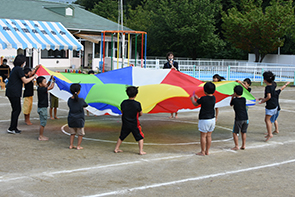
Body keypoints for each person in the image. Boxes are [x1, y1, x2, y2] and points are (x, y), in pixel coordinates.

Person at [6, 55, 37, 134]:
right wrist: (34, 77)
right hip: (14, 92)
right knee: (17, 110)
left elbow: (26, 76)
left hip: (11, 92)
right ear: (22, 62)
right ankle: (12, 128)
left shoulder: (15, 69)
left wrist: (35, 70)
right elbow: (25, 81)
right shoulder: (19, 69)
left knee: (16, 110)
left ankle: (13, 127)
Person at [114, 86, 146, 155]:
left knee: (122, 136)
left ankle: (116, 148)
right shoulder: (137, 104)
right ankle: (141, 151)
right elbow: (141, 113)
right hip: (134, 124)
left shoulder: (123, 103)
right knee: (140, 137)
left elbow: (122, 111)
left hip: (125, 123)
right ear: (136, 94)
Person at [190, 82, 216, 156]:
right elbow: (203, 101)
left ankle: (202, 151)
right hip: (212, 119)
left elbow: (195, 104)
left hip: (204, 119)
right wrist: (198, 98)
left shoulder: (203, 99)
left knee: (203, 136)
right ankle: (207, 151)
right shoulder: (213, 98)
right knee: (209, 136)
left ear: (204, 91)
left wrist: (192, 99)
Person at [67, 83, 88, 150]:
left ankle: (71, 145)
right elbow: (86, 105)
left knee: (72, 133)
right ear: (79, 91)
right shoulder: (81, 100)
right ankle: (78, 146)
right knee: (80, 134)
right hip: (79, 119)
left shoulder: (70, 100)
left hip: (71, 119)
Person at [258, 71, 277, 142]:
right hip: (274, 105)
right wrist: (263, 98)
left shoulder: (268, 87)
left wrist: (263, 101)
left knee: (267, 120)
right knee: (269, 120)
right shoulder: (272, 85)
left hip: (270, 106)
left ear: (265, 79)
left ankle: (270, 134)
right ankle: (269, 133)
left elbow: (268, 97)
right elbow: (270, 96)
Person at [230, 85, 248, 150]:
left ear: (235, 92)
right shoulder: (244, 99)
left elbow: (231, 104)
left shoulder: (235, 100)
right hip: (246, 118)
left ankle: (236, 146)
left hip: (238, 119)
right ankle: (243, 145)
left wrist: (232, 97)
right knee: (243, 132)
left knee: (235, 132)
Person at [36, 75, 55, 141]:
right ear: (40, 84)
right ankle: (40, 136)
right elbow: (51, 87)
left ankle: (41, 135)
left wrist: (50, 79)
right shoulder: (42, 89)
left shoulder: (40, 88)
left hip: (41, 108)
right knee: (43, 123)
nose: (46, 83)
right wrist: (54, 80)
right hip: (42, 108)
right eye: (44, 82)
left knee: (42, 123)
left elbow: (47, 85)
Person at [163, 52, 178, 118]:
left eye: (171, 56)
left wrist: (173, 67)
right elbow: (163, 72)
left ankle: (176, 113)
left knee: (176, 98)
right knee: (170, 99)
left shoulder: (176, 63)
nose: (170, 57)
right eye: (169, 56)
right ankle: (171, 113)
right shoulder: (165, 64)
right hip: (169, 82)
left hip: (175, 81)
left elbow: (178, 72)